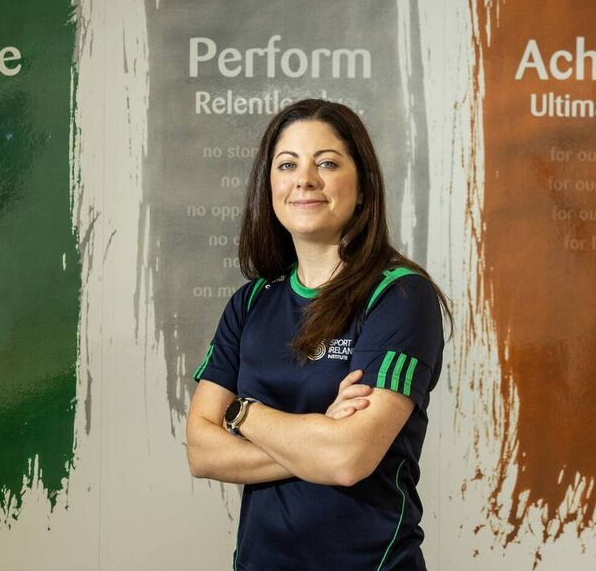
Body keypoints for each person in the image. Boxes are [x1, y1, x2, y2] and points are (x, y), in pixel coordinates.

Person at [186, 98, 450, 570]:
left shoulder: (399, 296)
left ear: (363, 187)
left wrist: (242, 413)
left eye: (327, 163)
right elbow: (201, 451)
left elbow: (347, 460)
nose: (304, 179)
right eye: (287, 165)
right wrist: (319, 437)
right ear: (269, 186)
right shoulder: (251, 302)